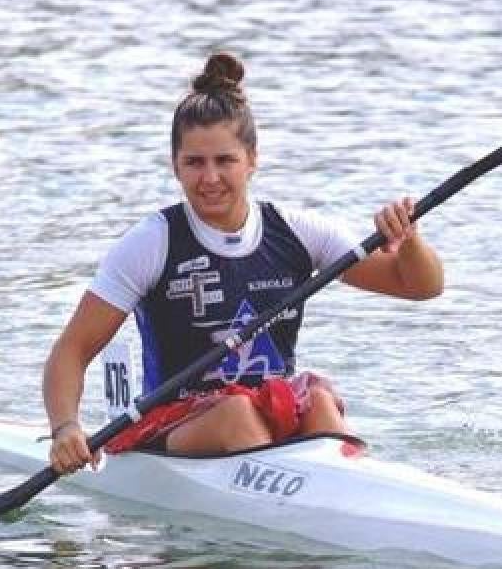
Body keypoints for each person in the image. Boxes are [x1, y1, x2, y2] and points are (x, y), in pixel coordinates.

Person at [44, 53, 443, 475]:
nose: (210, 178)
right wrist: (66, 427)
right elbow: (72, 350)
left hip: (266, 407)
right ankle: (290, 495)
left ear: (252, 160)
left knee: (319, 401)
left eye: (225, 161)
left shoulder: (296, 231)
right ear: (175, 165)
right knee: (237, 413)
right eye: (194, 162)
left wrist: (409, 242)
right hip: (177, 421)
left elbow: (420, 286)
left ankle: (342, 488)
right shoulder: (152, 242)